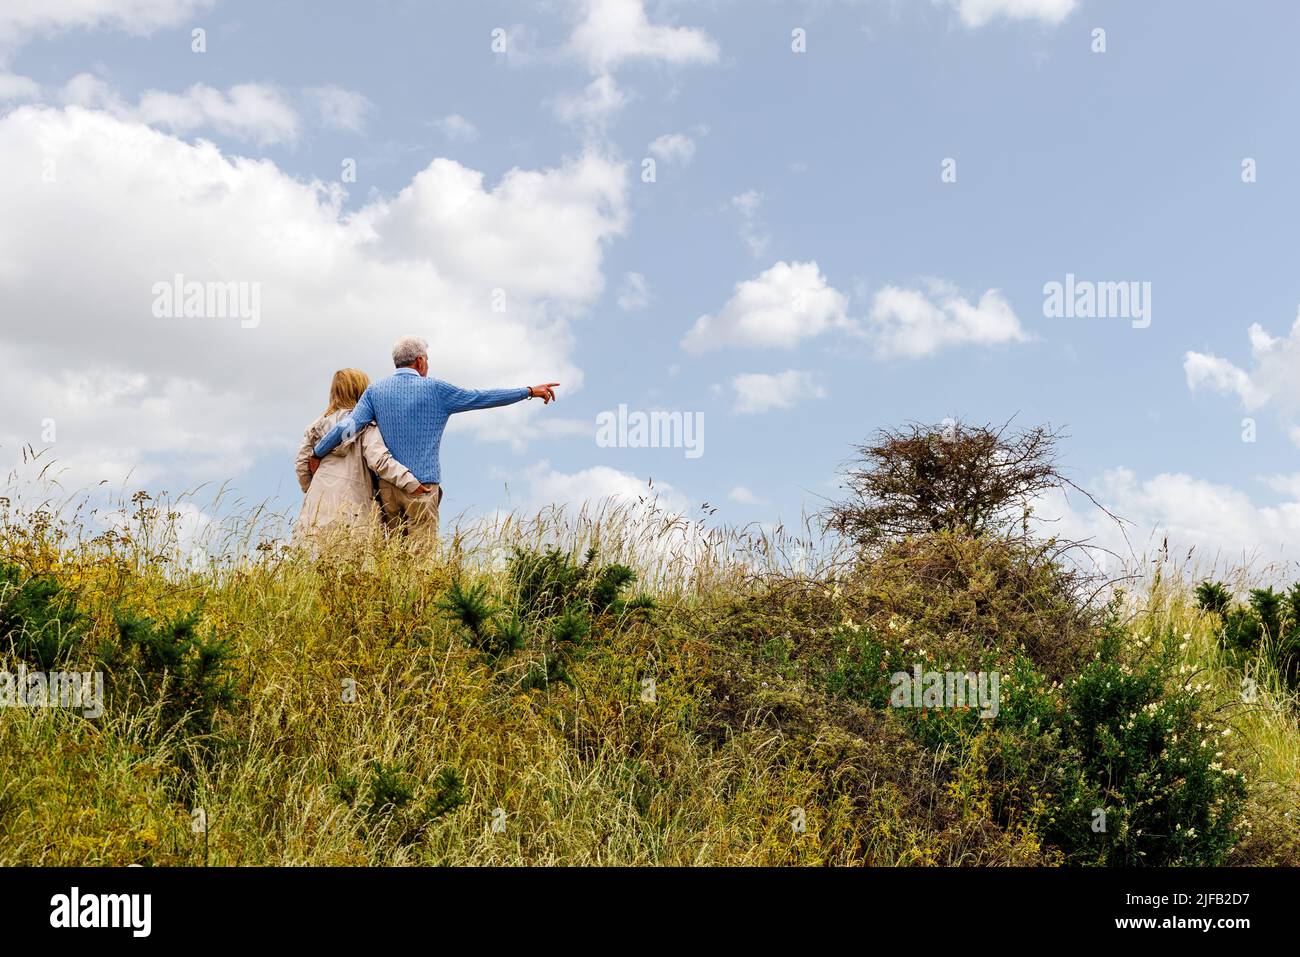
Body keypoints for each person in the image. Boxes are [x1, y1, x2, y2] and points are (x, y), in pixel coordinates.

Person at [310, 335, 559, 545]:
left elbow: (348, 426)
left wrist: (318, 452)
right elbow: (482, 397)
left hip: (386, 488)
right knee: (422, 561)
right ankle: (418, 604)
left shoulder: (375, 391)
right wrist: (528, 391)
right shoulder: (436, 390)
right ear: (420, 361)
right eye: (427, 359)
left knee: (393, 556)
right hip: (423, 486)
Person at [294, 368, 432, 546]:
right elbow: (380, 460)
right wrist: (410, 482)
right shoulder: (365, 426)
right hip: (355, 507)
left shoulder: (315, 427)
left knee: (317, 564)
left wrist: (312, 489)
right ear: (362, 391)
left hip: (317, 506)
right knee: (354, 567)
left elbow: (301, 464)